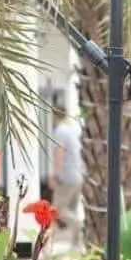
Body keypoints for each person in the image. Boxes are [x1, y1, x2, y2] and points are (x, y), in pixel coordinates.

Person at [49, 105, 83, 247]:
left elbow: (59, 153)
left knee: (57, 210)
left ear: (54, 115)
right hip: (78, 176)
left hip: (67, 177)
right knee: (72, 210)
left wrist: (55, 175)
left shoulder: (60, 131)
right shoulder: (72, 130)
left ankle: (80, 225)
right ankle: (76, 245)